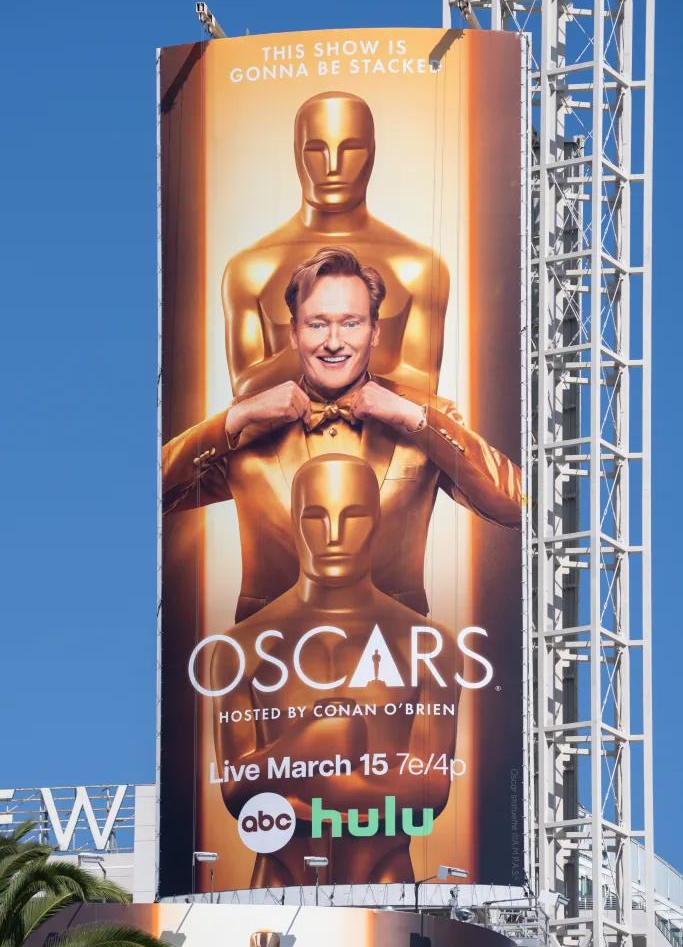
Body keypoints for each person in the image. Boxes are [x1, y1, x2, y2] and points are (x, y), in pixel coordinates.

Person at [163, 246, 521, 624]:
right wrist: (233, 420)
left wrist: (417, 421)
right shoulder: (247, 423)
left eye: (351, 323)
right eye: (318, 324)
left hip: (393, 655)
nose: (334, 342)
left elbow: (519, 508)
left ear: (375, 331)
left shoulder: (425, 416)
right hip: (270, 657)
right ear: (294, 333)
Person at [211, 454, 463, 886]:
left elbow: (432, 788)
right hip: (278, 876)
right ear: (292, 519)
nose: (333, 535)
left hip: (386, 874)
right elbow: (235, 792)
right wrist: (307, 745)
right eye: (315, 517)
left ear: (378, 518)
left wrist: (315, 785)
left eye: (354, 516)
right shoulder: (240, 647)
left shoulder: (430, 645)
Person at [222, 91, 450, 397]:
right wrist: (326, 344)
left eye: (351, 149)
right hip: (279, 444)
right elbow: (243, 392)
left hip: (383, 443)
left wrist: (318, 348)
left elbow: (425, 388)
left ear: (372, 151)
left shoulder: (419, 267)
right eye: (316, 150)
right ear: (295, 153)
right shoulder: (250, 268)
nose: (332, 166)